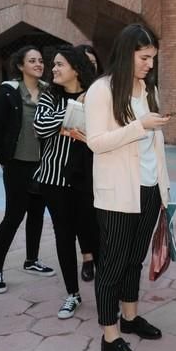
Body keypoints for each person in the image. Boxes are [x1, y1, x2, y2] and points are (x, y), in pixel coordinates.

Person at [85, 23, 171, 351]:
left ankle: (131, 317)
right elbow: (96, 142)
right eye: (144, 57)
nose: (150, 64)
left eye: (152, 58)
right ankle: (110, 336)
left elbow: (156, 149)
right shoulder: (101, 90)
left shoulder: (149, 90)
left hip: (149, 190)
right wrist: (140, 126)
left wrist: (164, 187)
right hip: (118, 194)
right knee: (111, 265)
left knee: (135, 259)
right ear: (127, 54)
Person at [33, 45, 96, 319]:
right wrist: (74, 111)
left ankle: (107, 294)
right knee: (63, 236)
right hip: (54, 179)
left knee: (94, 237)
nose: (53, 69)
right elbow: (40, 127)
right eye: (53, 64)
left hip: (88, 180)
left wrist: (68, 123)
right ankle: (72, 294)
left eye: (59, 65)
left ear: (76, 68)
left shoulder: (97, 96)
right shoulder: (50, 95)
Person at [0, 46, 55, 294]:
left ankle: (32, 260)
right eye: (32, 61)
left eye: (40, 60)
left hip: (42, 165)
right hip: (17, 165)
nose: (38, 64)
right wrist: (3, 158)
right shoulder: (9, 91)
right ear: (20, 66)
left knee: (37, 213)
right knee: (14, 216)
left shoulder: (49, 91)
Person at [70, 44, 103, 283]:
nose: (90, 66)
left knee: (99, 212)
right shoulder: (68, 91)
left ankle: (101, 255)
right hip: (77, 159)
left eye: (93, 63)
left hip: (100, 158)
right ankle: (87, 257)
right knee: (81, 212)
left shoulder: (103, 89)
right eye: (85, 63)